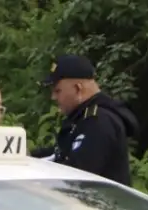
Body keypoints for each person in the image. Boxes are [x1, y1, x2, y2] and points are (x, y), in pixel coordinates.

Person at [33, 55, 140, 185]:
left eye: (57, 90)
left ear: (78, 89)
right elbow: (59, 153)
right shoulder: (82, 118)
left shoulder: (99, 123)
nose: (53, 97)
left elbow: (76, 178)